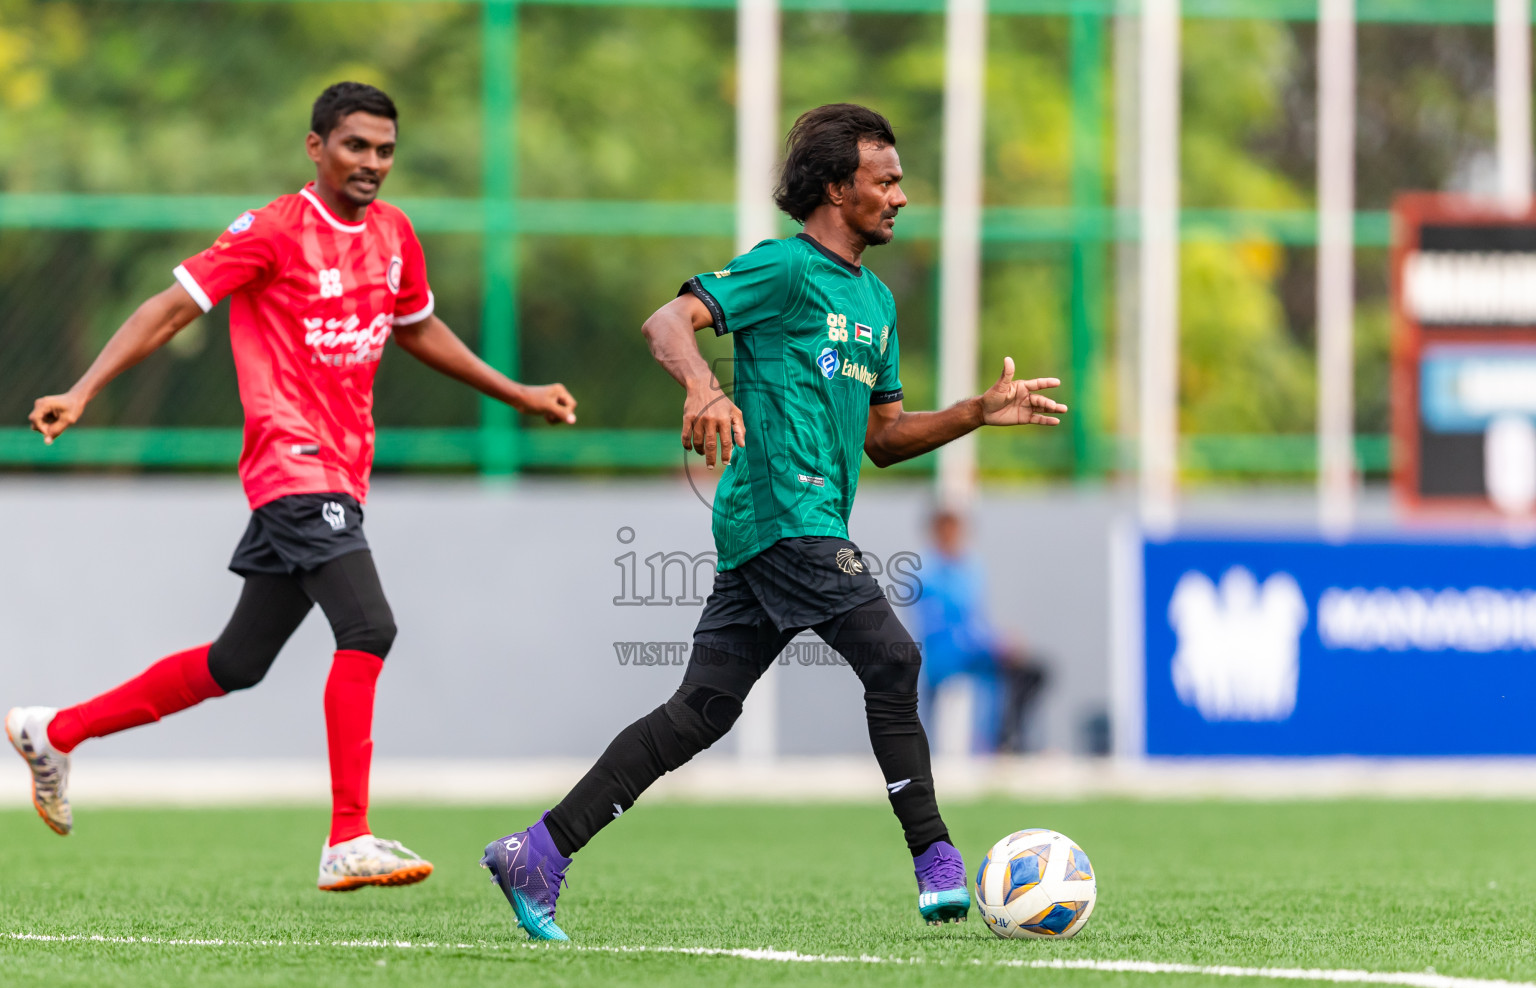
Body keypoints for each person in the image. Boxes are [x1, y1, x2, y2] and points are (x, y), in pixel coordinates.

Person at [479, 103, 1066, 941]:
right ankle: (935, 855)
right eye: (886, 180)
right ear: (836, 188)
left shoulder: (877, 301)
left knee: (701, 710)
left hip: (789, 522)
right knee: (893, 658)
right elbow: (666, 321)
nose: (902, 196)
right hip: (783, 511)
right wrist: (704, 387)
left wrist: (974, 411)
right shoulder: (786, 270)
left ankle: (540, 849)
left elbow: (884, 438)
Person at [6, 81, 577, 892]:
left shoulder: (393, 236)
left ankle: (53, 730)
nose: (372, 162)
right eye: (355, 146)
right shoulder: (275, 231)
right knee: (369, 627)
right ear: (316, 148)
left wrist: (514, 393)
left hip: (340, 467)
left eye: (384, 149)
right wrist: (86, 388)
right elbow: (171, 308)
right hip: (291, 463)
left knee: (237, 662)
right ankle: (348, 836)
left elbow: (414, 325)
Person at [915, 508, 1047, 754]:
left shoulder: (971, 568)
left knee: (1019, 672)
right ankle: (993, 742)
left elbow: (977, 618)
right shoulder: (924, 572)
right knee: (999, 665)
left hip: (975, 649)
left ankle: (999, 741)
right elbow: (937, 626)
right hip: (942, 654)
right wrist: (992, 643)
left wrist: (1000, 640)